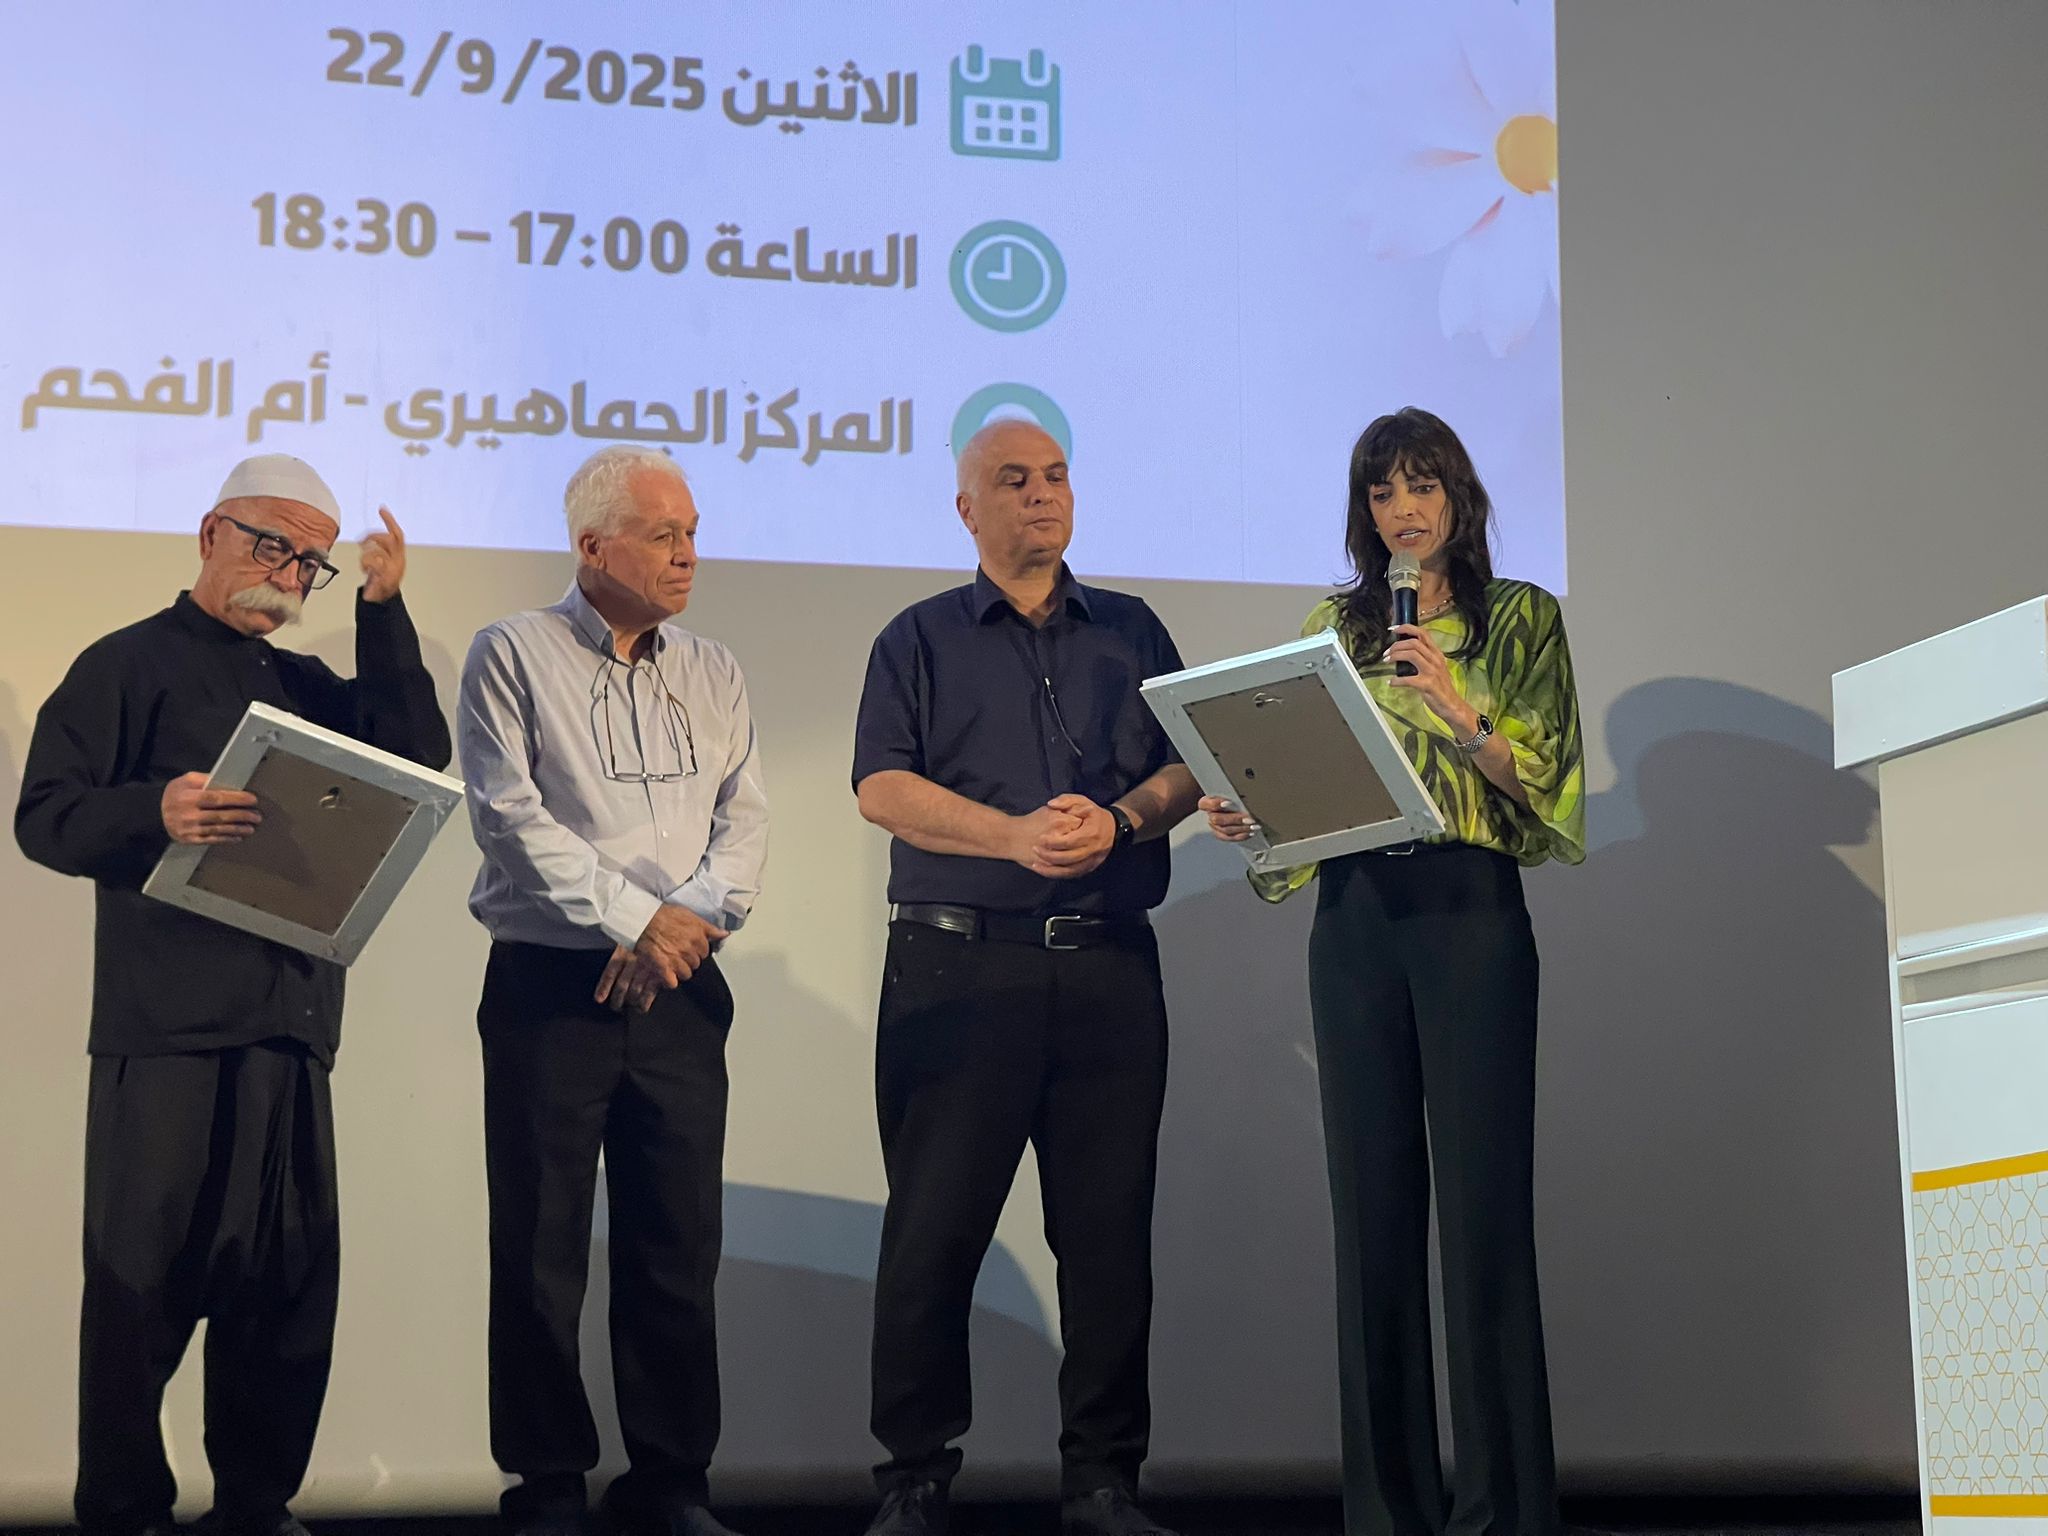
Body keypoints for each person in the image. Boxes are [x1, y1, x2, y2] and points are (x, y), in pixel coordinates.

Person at [14, 453, 450, 1536]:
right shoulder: (124, 665)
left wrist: (384, 612)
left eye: (311, 563)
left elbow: (414, 758)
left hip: (291, 1031)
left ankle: (256, 1507)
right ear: (212, 533)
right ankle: (124, 1512)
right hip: (166, 1035)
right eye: (273, 545)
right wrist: (152, 813)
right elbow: (44, 816)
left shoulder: (305, 688)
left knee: (285, 1294)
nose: (290, 574)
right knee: (138, 1292)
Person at [1203, 407, 1584, 1536]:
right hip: (1358, 916)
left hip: (1468, 915)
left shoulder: (1522, 618)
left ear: (1459, 496)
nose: (1402, 509)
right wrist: (1255, 812)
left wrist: (1457, 712)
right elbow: (1305, 785)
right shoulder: (1334, 627)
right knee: (1369, 1218)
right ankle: (1387, 1511)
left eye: (1421, 485)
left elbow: (1551, 790)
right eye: (1381, 492)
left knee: (1482, 1215)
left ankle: (1504, 1511)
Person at [851, 420, 1201, 1536]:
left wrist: (1122, 819)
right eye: (1014, 480)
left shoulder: (1133, 630)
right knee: (932, 1234)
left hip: (1106, 969)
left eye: (1055, 476)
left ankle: (1102, 1483)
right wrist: (1012, 838)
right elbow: (880, 787)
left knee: (1107, 1242)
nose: (1043, 495)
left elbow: (1189, 765)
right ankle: (914, 1481)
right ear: (967, 509)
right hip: (958, 966)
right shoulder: (917, 637)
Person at [458, 445, 768, 1536]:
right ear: (593, 547)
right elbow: (507, 815)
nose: (689, 555)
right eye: (664, 534)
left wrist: (679, 928)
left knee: (677, 1246)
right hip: (552, 987)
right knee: (541, 1247)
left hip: (682, 988)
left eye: (692, 533)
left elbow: (744, 821)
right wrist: (638, 919)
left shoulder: (715, 669)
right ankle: (547, 1487)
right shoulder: (512, 651)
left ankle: (671, 1485)